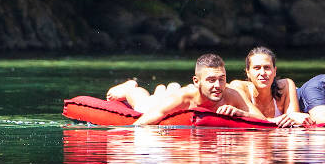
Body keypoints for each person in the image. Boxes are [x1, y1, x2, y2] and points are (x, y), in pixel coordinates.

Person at [105, 53, 255, 125]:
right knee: (143, 104)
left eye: (222, 79)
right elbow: (139, 125)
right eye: (211, 80)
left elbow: (263, 120)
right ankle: (130, 87)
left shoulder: (233, 94)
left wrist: (241, 113)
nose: (217, 85)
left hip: (176, 97)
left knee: (169, 91)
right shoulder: (185, 97)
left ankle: (166, 88)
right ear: (197, 81)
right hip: (173, 100)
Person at [231, 46, 311, 127]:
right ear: (248, 72)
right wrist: (274, 121)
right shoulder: (238, 88)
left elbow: (293, 119)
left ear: (275, 71)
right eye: (257, 68)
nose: (262, 73)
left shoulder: (286, 85)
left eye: (267, 67)